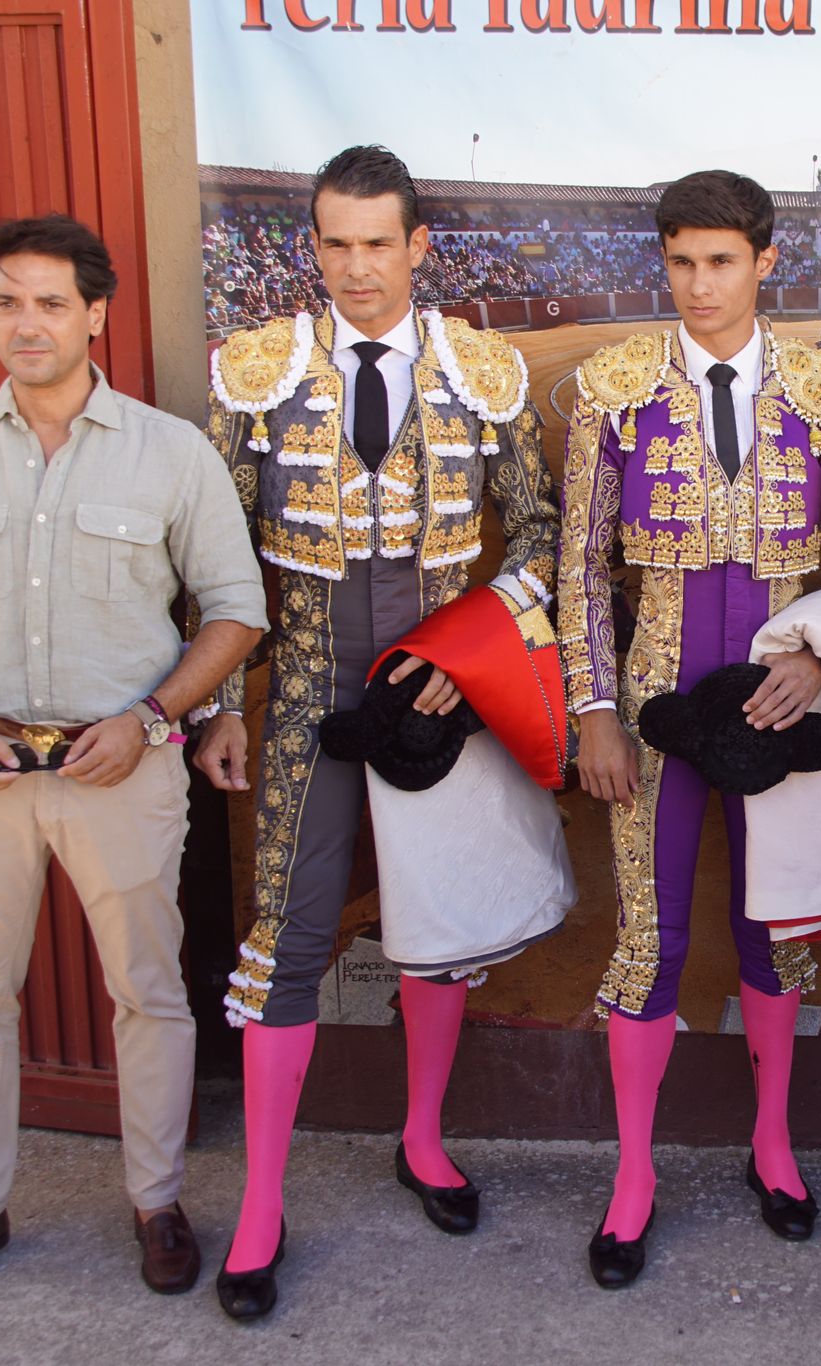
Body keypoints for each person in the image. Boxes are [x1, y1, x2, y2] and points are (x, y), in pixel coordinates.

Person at [193, 145, 566, 1319]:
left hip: (433, 689)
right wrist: (211, 703)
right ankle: (260, 1204)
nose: (356, 269)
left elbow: (547, 533)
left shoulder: (482, 371)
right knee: (288, 936)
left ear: (417, 248)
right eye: (334, 244)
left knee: (438, 927)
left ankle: (421, 1136)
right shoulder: (254, 373)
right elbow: (205, 554)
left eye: (377, 243)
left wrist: (475, 655)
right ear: (313, 247)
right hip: (303, 687)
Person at [0, 215, 267, 1306]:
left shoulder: (168, 451)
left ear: (97, 313)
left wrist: (150, 717)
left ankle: (157, 1200)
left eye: (51, 302)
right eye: (7, 301)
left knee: (147, 994)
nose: (26, 323)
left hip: (121, 766)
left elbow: (235, 610)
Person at [559, 169, 821, 1289]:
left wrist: (815, 655)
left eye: (721, 261)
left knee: (774, 934)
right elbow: (579, 569)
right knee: (648, 940)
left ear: (763, 263)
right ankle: (635, 1173)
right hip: (653, 701)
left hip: (779, 695)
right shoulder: (610, 389)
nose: (699, 285)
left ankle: (771, 1143)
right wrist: (595, 709)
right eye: (680, 262)